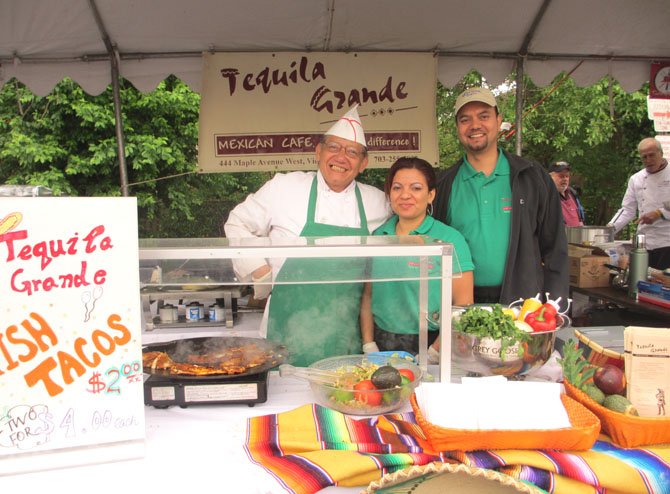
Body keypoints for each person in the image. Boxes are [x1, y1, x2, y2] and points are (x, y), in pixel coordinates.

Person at [224, 106, 391, 366]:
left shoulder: (379, 202)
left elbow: (405, 235)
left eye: (352, 152)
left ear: (363, 163)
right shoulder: (283, 187)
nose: (341, 157)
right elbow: (237, 223)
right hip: (286, 327)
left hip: (345, 332)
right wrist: (257, 269)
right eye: (334, 147)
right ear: (318, 152)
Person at [433, 87, 568, 307]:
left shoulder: (532, 177)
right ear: (457, 128)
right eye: (465, 119)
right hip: (461, 305)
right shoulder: (444, 184)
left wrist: (555, 307)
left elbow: (555, 248)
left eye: (484, 116)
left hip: (523, 305)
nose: (475, 125)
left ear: (498, 120)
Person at [360, 157, 474, 359]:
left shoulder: (449, 240)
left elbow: (463, 305)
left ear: (431, 195)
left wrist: (435, 351)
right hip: (382, 341)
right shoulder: (378, 237)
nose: (405, 195)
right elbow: (368, 295)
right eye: (397, 188)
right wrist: (369, 344)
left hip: (432, 341)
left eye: (416, 188)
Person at [607, 138, 670, 270]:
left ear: (661, 153)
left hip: (667, 241)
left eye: (651, 155)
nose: (648, 160)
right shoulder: (636, 179)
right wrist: (608, 230)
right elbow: (627, 209)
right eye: (644, 157)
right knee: (643, 284)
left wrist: (659, 213)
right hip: (644, 243)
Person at [548, 161, 585, 226]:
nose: (565, 179)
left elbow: (580, 220)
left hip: (577, 235)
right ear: (550, 177)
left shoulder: (572, 193)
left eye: (567, 176)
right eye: (561, 176)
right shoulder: (546, 196)